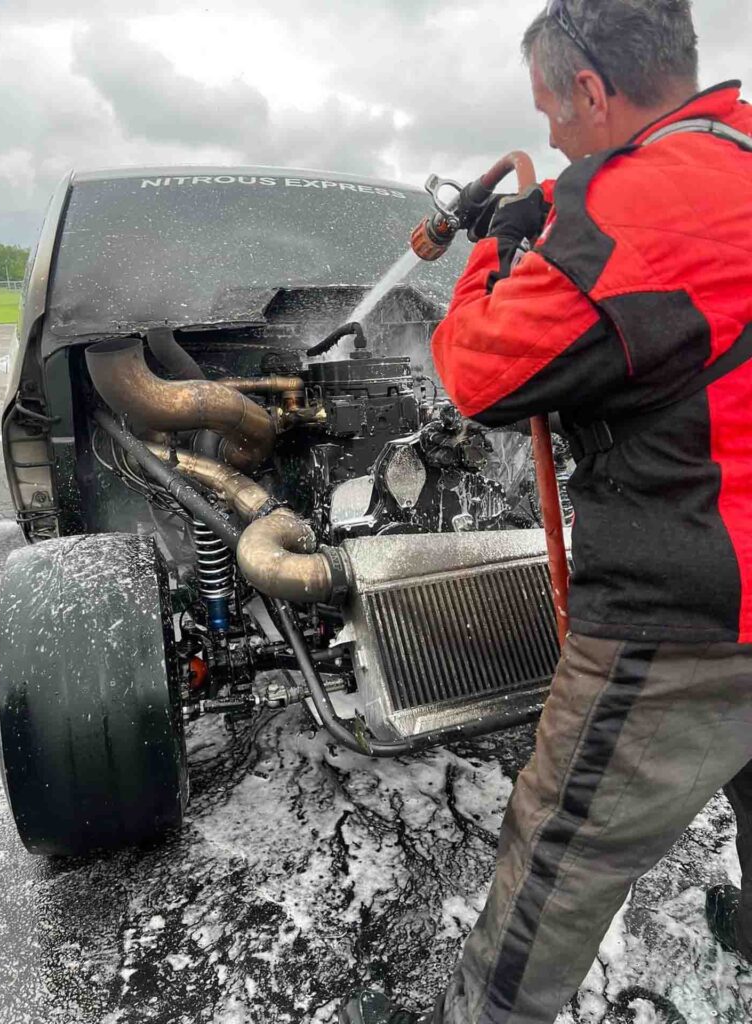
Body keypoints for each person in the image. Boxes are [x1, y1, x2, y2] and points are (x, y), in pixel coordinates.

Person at [340, 1, 752, 1022]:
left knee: (564, 842)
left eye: (552, 114)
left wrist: (492, 251)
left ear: (593, 92)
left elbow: (476, 377)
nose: (555, 139)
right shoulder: (739, 155)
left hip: (689, 605)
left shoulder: (631, 208)